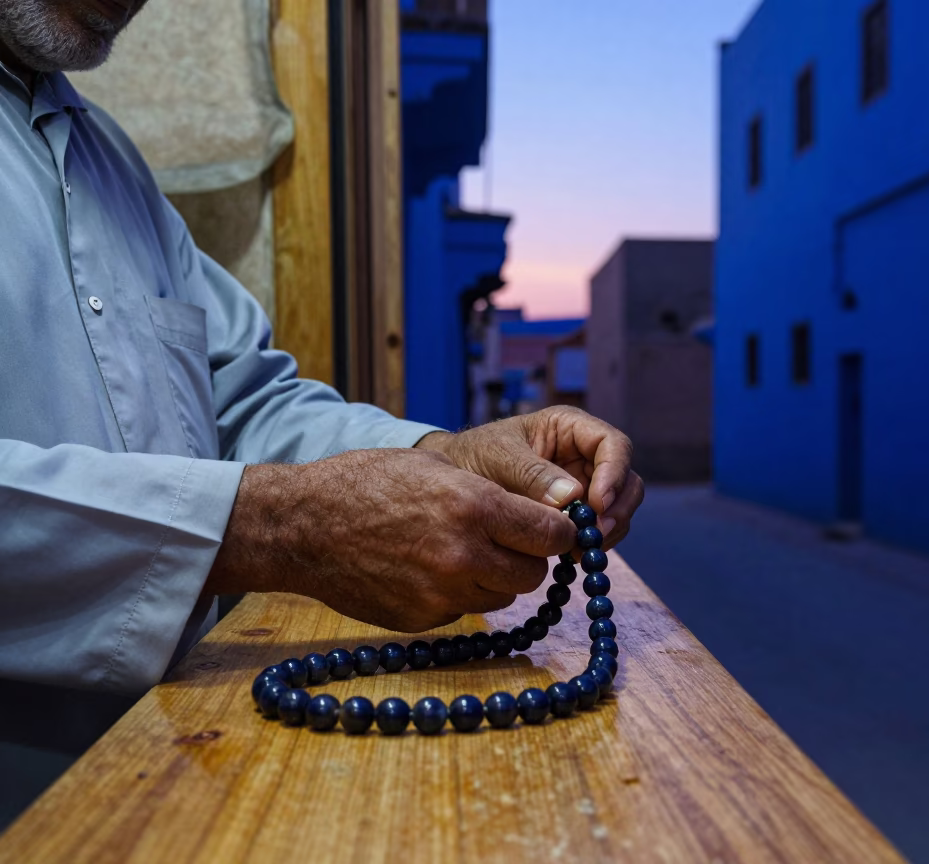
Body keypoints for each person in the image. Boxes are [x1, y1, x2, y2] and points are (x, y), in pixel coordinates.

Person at [0, 0, 642, 732]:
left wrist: (450, 457)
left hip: (168, 762)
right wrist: (273, 527)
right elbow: (265, 501)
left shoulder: (107, 161)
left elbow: (241, 402)